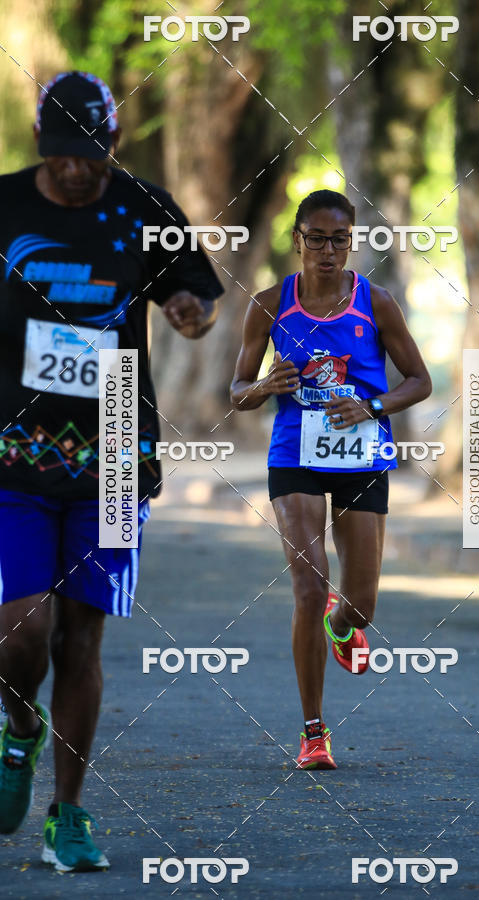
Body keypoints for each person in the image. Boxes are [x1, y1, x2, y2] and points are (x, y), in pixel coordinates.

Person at [0, 71, 223, 870]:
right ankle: (18, 728)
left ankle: (69, 814)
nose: (74, 171)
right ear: (38, 148)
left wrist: (191, 312)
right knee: (22, 632)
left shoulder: (145, 209)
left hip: (119, 456)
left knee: (80, 639)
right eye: (61, 156)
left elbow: (196, 289)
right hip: (13, 455)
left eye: (89, 156)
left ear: (113, 145)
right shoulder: (4, 208)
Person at [231, 189, 431, 769]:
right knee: (310, 585)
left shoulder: (377, 302)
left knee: (361, 603)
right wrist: (265, 387)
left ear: (352, 241)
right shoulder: (269, 304)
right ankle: (313, 730)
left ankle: (344, 627)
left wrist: (373, 407)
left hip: (362, 455)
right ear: (296, 240)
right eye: (315, 238)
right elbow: (237, 390)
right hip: (294, 453)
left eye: (339, 239)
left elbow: (418, 379)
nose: (327, 250)